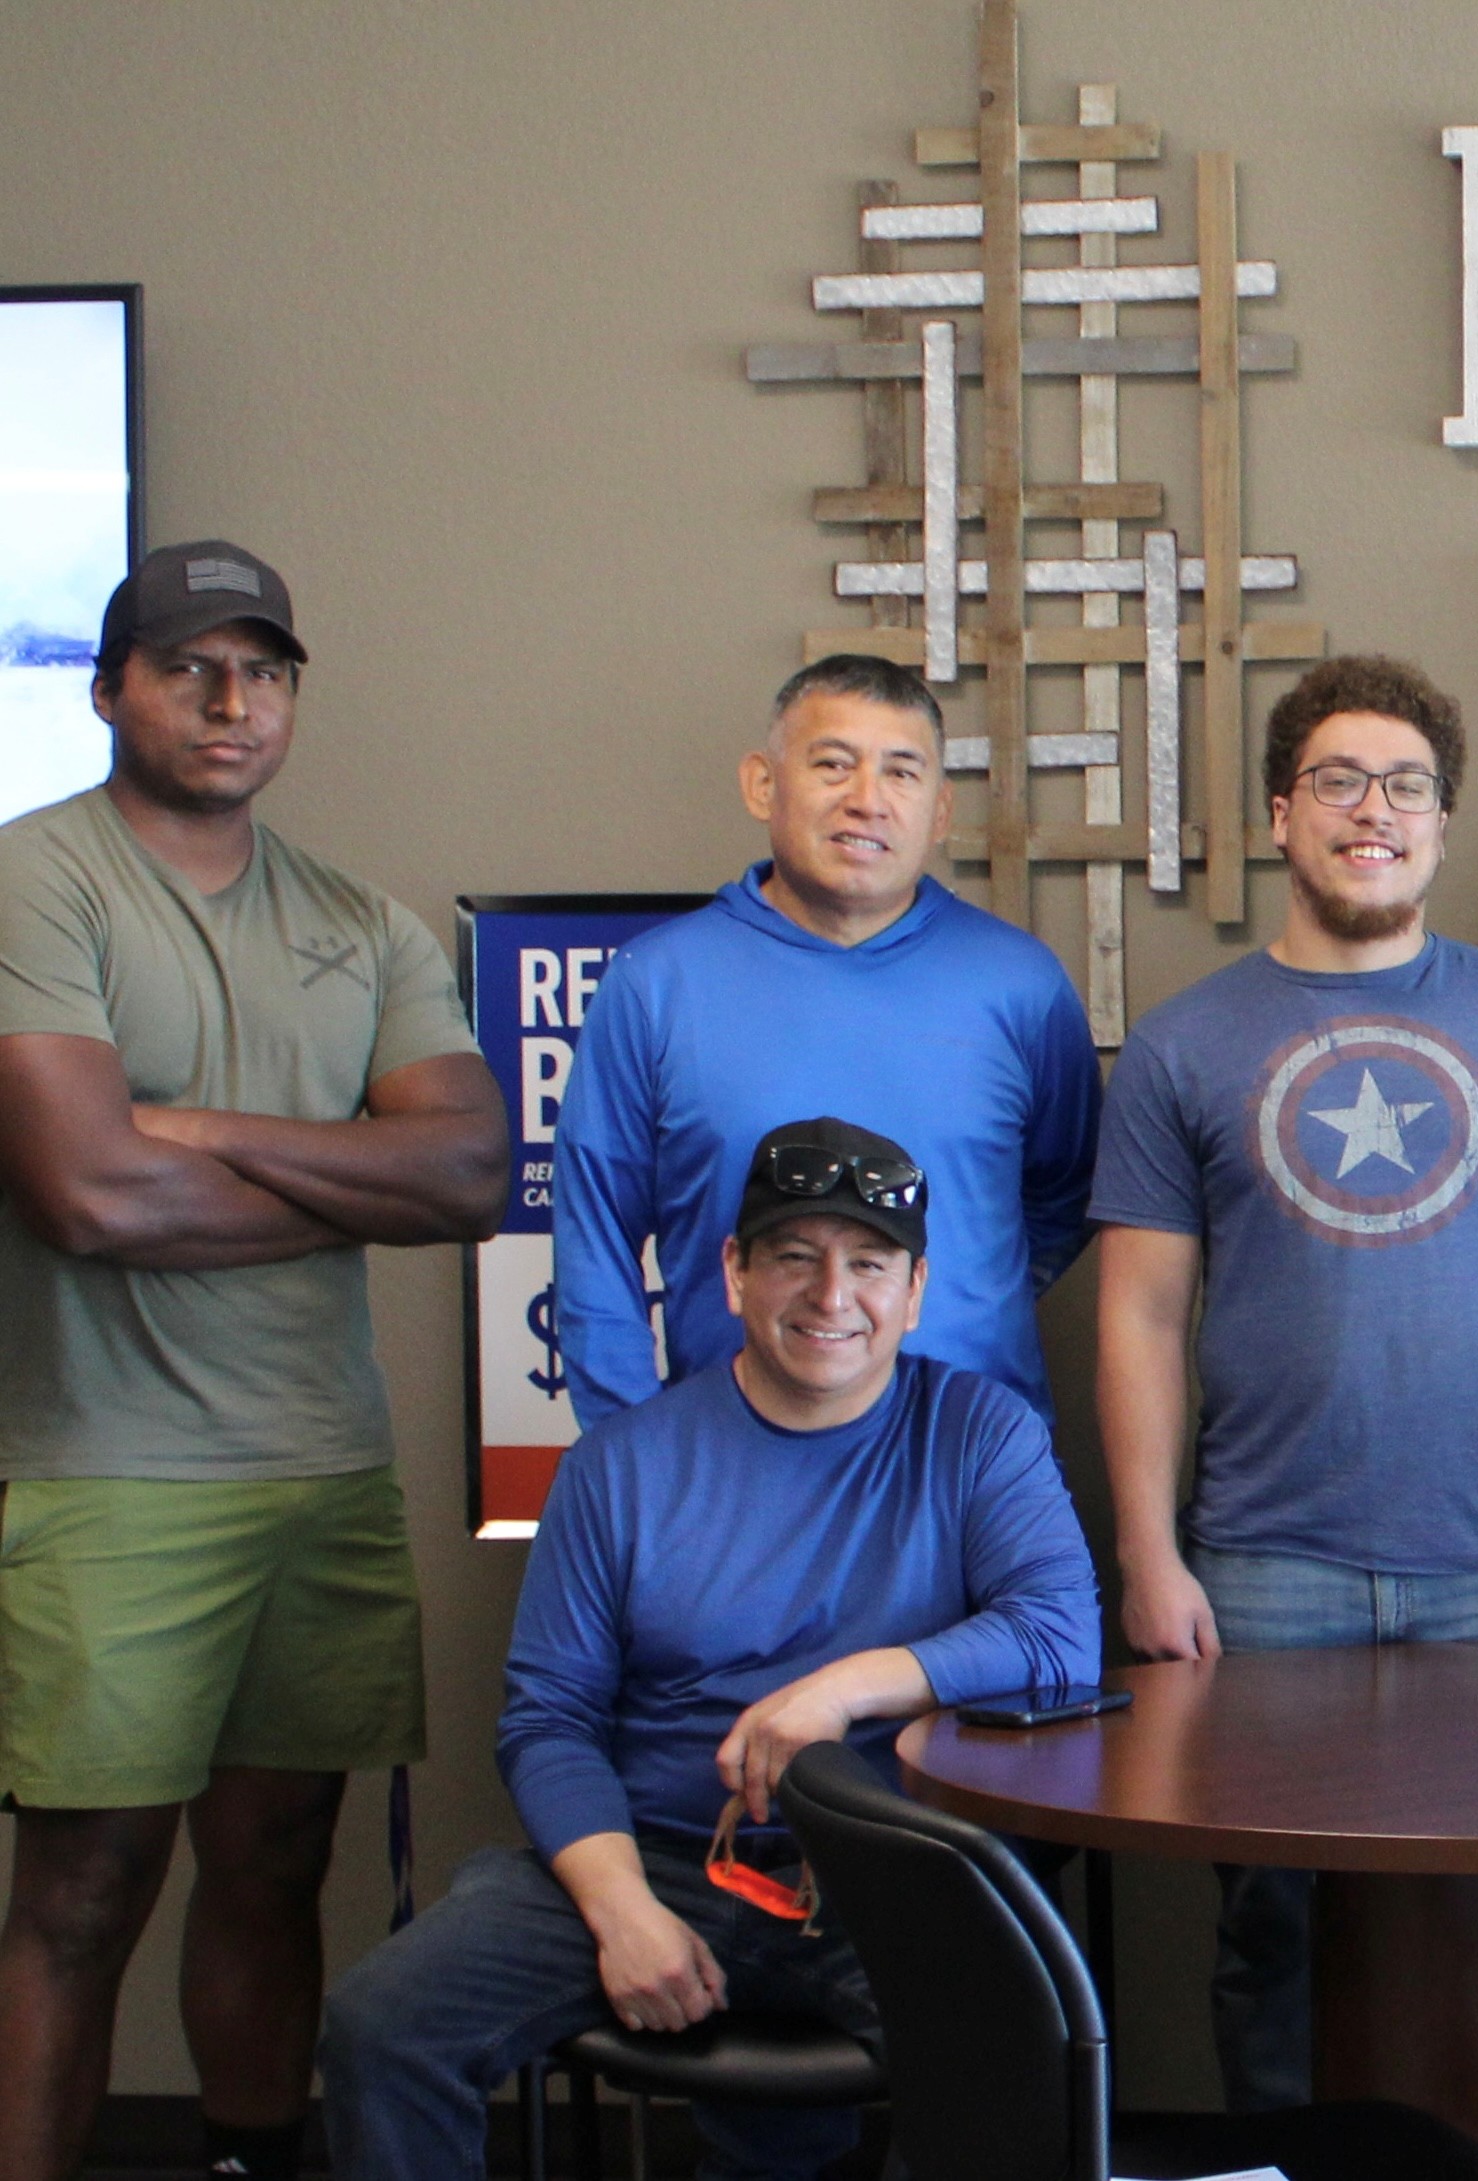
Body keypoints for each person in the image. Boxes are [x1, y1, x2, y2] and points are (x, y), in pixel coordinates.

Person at [0, 540, 509, 2181]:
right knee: (79, 1898)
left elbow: (470, 1178)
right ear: (108, 687)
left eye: (265, 671)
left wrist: (198, 1131)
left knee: (282, 1865)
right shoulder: (36, 882)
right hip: (105, 1475)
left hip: (321, 1468)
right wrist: (341, 1173)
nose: (233, 702)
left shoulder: (354, 921)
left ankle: (250, 2163)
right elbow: (85, 1194)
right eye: (190, 666)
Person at [318, 1117, 1095, 2179]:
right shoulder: (621, 1465)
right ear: (732, 1273)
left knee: (1012, 2054)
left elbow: (1059, 1637)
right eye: (792, 1257)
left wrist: (840, 1693)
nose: (832, 1297)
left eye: (868, 1265)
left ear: (914, 1292)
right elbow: (547, 1721)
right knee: (380, 2022)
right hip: (658, 1858)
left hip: (896, 1873)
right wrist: (623, 1908)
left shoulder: (977, 1432)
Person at [1098, 654, 1478, 2110]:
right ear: (1283, 813)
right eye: (1338, 781)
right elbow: (1142, 1314)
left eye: (1405, 785)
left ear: (1441, 821)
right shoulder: (1178, 1046)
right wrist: (1147, 1554)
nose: (1373, 810)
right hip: (1261, 1571)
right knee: (1270, 1933)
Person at [552, 651, 1098, 1423]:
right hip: (727, 1475)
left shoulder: (1022, 985)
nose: (867, 800)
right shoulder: (655, 985)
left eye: (902, 773)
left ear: (940, 811)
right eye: (833, 764)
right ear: (762, 784)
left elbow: (1064, 1196)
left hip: (972, 1477)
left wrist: (960, 1298)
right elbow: (594, 1244)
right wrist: (637, 1461)